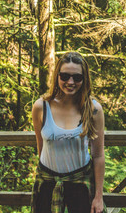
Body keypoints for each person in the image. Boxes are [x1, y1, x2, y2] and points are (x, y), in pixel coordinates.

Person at [31, 52, 106, 213]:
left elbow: (98, 155)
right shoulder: (41, 107)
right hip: (47, 182)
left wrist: (98, 196)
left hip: (79, 182)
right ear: (57, 76)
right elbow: (41, 147)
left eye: (77, 77)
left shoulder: (93, 110)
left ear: (84, 79)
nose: (70, 82)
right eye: (64, 76)